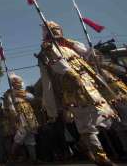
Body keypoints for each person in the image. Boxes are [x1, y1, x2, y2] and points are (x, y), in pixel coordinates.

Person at [38, 21, 118, 166]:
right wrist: (71, 74)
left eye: (57, 29)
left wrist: (87, 52)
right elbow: (59, 66)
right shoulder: (48, 48)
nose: (56, 31)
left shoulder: (69, 45)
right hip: (73, 90)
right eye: (52, 30)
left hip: (90, 85)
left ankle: (82, 144)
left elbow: (87, 56)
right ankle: (101, 157)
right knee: (86, 122)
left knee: (104, 115)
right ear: (46, 33)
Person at [3, 73, 39, 163]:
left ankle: (33, 159)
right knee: (20, 136)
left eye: (20, 82)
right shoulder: (9, 93)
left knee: (30, 137)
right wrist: (15, 116)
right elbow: (10, 106)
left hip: (29, 116)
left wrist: (21, 94)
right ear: (13, 84)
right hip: (20, 116)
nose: (19, 83)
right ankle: (11, 158)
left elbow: (32, 98)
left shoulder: (24, 93)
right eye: (17, 82)